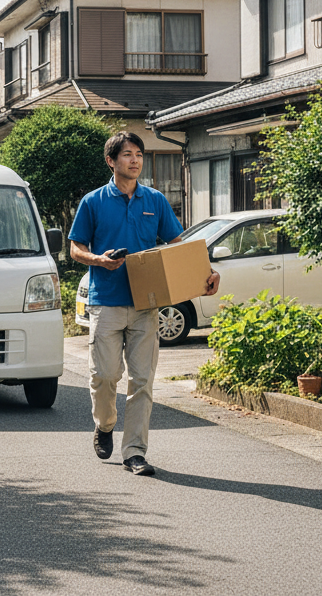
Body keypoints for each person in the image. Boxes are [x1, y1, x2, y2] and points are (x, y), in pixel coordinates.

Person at [69, 131, 219, 476]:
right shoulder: (93, 201)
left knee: (142, 381)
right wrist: (98, 259)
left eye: (138, 154)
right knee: (104, 376)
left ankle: (134, 451)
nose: (134, 160)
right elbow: (75, 248)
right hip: (105, 300)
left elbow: (178, 243)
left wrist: (207, 272)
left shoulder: (154, 199)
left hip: (146, 304)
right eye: (127, 154)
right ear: (111, 161)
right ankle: (105, 424)